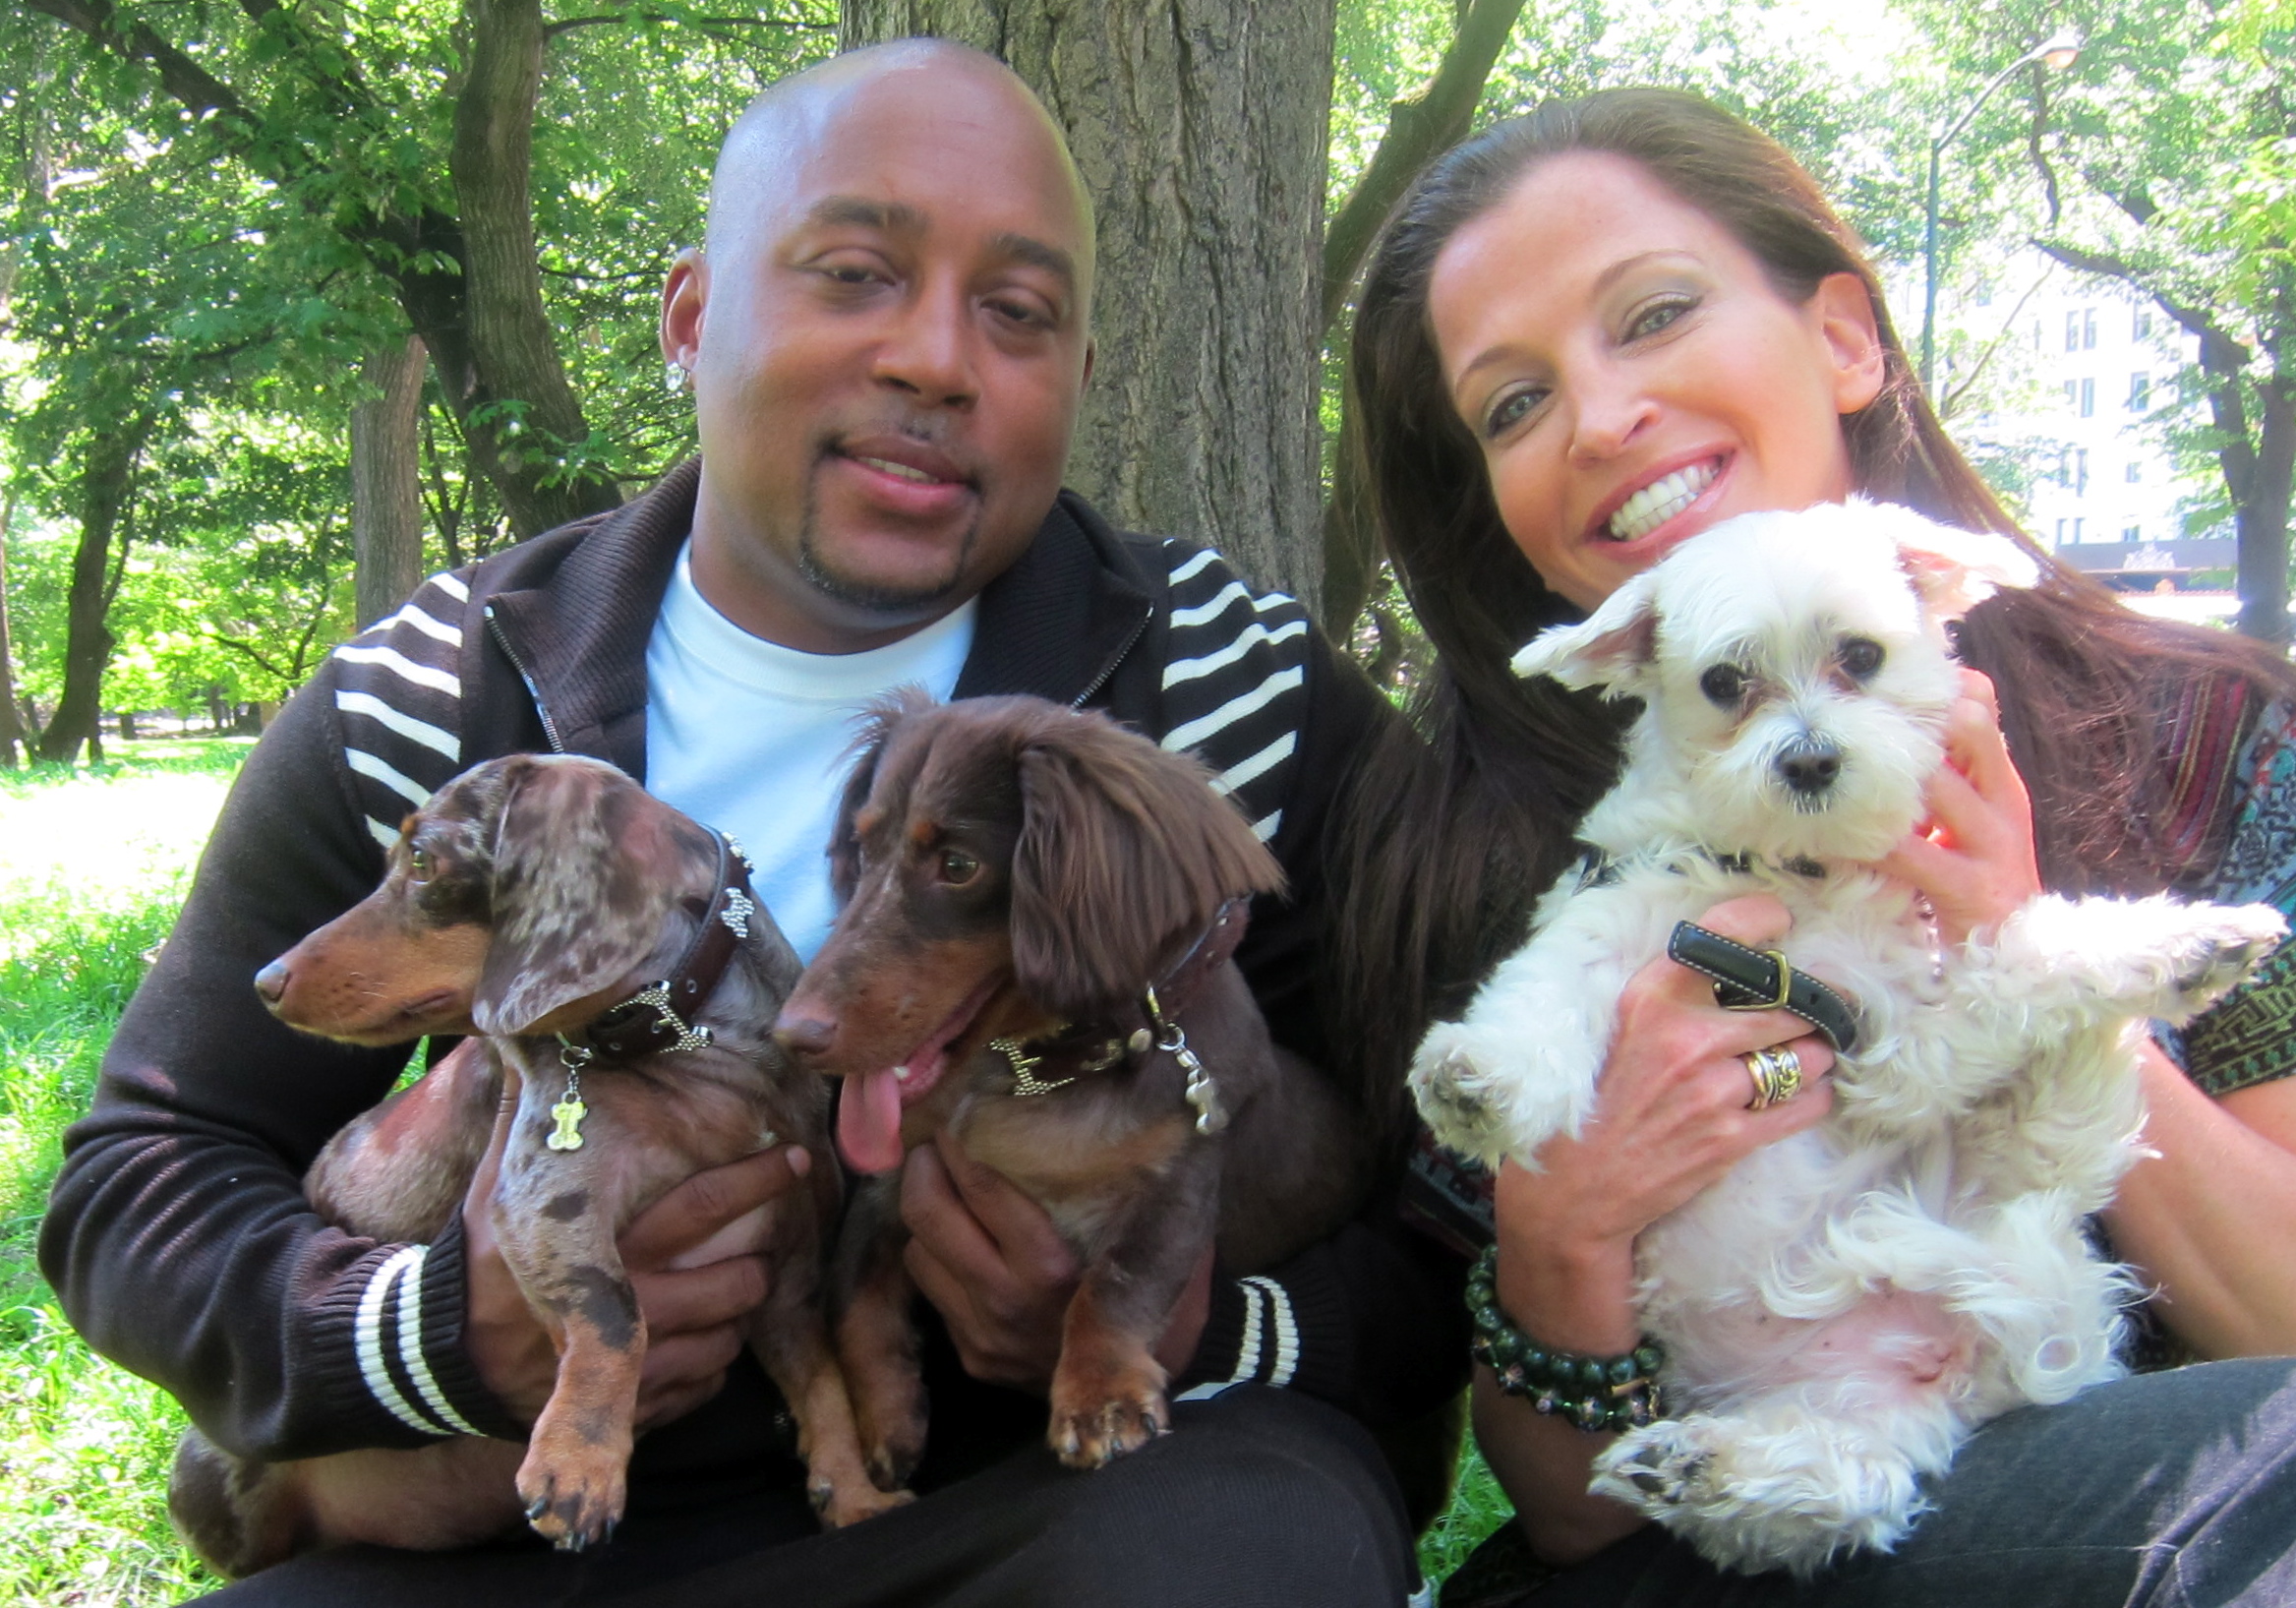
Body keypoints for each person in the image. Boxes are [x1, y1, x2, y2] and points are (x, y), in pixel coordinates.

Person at [41, 42, 1462, 1607]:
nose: (936, 358)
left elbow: (1468, 1184)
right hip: (535, 1534)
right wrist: (444, 1334)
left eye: (1019, 312)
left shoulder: (1229, 692)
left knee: (1244, 1556)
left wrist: (1203, 1331)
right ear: (691, 314)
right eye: (855, 273)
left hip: (1047, 1521)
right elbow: (136, 1180)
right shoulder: (432, 699)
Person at [1333, 88, 2296, 1606]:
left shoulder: (2191, 738)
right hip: (1699, 1555)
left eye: (1655, 314)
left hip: (2126, 1506)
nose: (1600, 417)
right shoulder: (1466, 847)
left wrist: (2036, 968)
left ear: (1841, 337)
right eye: (1512, 402)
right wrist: (1563, 1235)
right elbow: (1575, 1526)